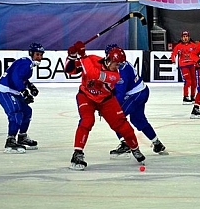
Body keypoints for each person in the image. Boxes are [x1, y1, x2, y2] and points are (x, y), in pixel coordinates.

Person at [64, 41, 146, 170]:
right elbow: (70, 71)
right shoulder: (92, 59)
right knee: (87, 120)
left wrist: (82, 55)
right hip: (86, 96)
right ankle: (77, 153)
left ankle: (135, 148)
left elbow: (92, 74)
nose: (117, 67)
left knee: (123, 126)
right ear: (109, 60)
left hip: (106, 100)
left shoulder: (115, 76)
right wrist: (72, 56)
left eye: (119, 64)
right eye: (116, 64)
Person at [104, 44, 168, 158]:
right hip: (141, 92)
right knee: (138, 120)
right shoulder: (123, 65)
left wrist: (109, 105)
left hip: (136, 95)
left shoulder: (122, 71)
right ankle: (157, 143)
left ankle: (125, 144)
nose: (107, 61)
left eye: (108, 58)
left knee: (116, 117)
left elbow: (120, 93)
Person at [0, 43, 43, 153]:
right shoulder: (26, 63)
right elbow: (15, 77)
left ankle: (22, 137)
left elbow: (20, 77)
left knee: (27, 112)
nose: (39, 57)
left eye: (41, 55)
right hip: (4, 91)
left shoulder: (26, 62)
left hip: (12, 91)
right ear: (31, 53)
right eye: (37, 54)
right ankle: (10, 141)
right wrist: (24, 92)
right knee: (16, 113)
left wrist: (30, 86)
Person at [170, 30, 197, 104]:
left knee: (194, 81)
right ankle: (185, 97)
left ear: (189, 37)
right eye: (184, 37)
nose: (185, 38)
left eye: (186, 36)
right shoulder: (178, 46)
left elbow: (198, 53)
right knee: (188, 81)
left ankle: (192, 96)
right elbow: (173, 54)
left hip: (192, 65)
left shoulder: (193, 45)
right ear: (181, 38)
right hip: (184, 65)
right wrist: (173, 62)